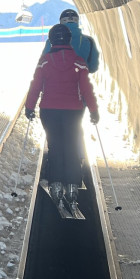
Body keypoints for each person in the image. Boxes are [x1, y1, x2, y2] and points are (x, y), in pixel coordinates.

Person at [25, 23, 99, 214]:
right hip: (73, 111)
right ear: (68, 40)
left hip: (49, 111)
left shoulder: (45, 61)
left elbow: (36, 85)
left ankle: (56, 184)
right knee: (73, 145)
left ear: (51, 40)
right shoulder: (79, 61)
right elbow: (86, 89)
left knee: (55, 145)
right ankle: (73, 186)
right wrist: (93, 110)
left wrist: (29, 106)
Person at [42, 8, 99, 73]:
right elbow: (93, 68)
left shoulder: (51, 40)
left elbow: (44, 65)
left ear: (61, 22)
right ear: (77, 21)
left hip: (55, 80)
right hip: (79, 80)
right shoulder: (89, 41)